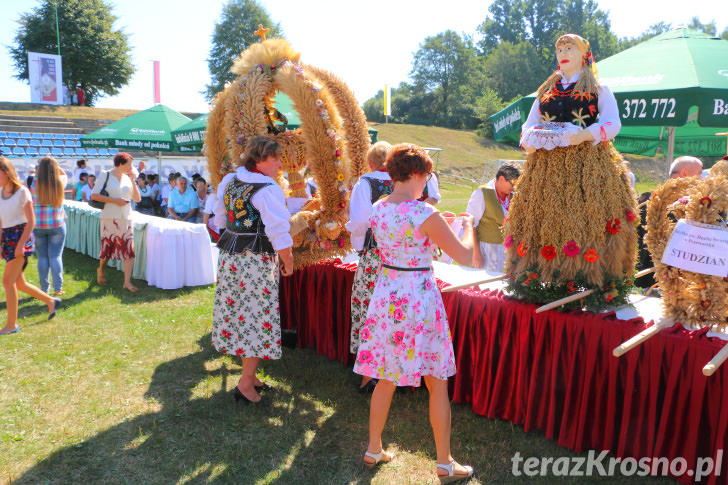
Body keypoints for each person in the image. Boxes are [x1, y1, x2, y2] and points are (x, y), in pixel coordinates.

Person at [353, 143, 475, 483]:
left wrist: (440, 224)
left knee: (386, 376)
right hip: (419, 299)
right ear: (419, 174)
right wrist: (467, 226)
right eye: (428, 176)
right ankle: (445, 463)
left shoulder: (379, 208)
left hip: (387, 296)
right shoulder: (424, 213)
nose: (427, 183)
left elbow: (410, 236)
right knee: (437, 383)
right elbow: (464, 257)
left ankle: (374, 447)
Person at [505, 33, 635, 306]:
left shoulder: (598, 87)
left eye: (569, 47)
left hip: (588, 167)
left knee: (588, 218)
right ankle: (541, 277)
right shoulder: (545, 91)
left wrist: (585, 135)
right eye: (559, 48)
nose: (563, 52)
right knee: (542, 218)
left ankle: (592, 279)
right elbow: (528, 125)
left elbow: (613, 123)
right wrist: (528, 138)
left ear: (583, 53)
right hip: (546, 169)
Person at [212, 136, 294, 406]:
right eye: (275, 159)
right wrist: (288, 259)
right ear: (259, 159)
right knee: (255, 317)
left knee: (241, 314)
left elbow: (220, 217)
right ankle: (246, 382)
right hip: (254, 260)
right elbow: (278, 230)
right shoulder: (267, 189)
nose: (280, 164)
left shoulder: (231, 180)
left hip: (231, 256)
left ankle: (251, 374)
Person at [346, 141, 394, 394]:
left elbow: (360, 221)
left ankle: (368, 373)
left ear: (371, 163)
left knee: (368, 307)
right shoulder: (403, 182)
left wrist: (357, 245)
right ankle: (392, 368)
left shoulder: (365, 183)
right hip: (399, 255)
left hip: (375, 254)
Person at [0, 157, 61, 335]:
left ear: (5, 172)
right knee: (19, 283)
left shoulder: (22, 192)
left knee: (7, 281)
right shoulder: (0, 192)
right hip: (8, 236)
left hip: (21, 236)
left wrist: (20, 245)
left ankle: (12, 325)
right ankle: (51, 302)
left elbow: (31, 221)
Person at [91, 152, 141, 292]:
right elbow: (94, 195)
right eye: (129, 164)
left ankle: (127, 282)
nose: (131, 167)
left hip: (126, 217)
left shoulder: (128, 178)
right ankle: (100, 269)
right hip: (109, 217)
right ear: (120, 163)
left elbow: (137, 199)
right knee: (107, 250)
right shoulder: (105, 174)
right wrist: (115, 201)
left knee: (128, 250)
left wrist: (132, 180)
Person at [466, 163, 521, 272]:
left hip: (505, 251)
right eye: (512, 183)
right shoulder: (482, 193)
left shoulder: (511, 195)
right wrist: (476, 253)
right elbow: (470, 224)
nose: (514, 187)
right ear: (501, 179)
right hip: (486, 250)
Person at [31, 156, 69, 296]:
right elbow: (64, 174)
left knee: (42, 257)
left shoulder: (32, 182)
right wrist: (54, 164)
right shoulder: (59, 181)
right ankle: (57, 288)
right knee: (55, 256)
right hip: (57, 224)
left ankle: (43, 289)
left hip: (38, 225)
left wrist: (42, 163)